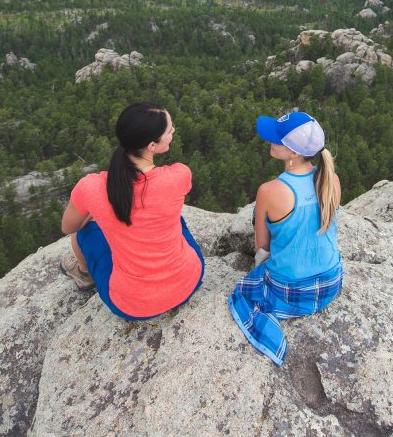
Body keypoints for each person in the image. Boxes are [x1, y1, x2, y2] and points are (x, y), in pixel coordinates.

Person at [60, 102, 204, 320]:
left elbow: (69, 227)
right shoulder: (179, 175)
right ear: (152, 146)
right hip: (187, 282)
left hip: (132, 305)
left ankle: (84, 274)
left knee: (83, 233)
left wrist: (97, 211)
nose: (173, 131)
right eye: (169, 130)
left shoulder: (91, 187)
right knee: (177, 219)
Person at [228, 110, 343, 365]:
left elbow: (262, 247)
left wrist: (260, 273)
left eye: (277, 138)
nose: (271, 140)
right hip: (331, 283)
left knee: (240, 294)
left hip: (292, 292)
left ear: (293, 153)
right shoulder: (331, 179)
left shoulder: (270, 191)